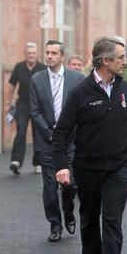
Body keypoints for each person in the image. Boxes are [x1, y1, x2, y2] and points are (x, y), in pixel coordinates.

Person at [53, 37, 127, 254]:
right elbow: (61, 133)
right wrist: (62, 166)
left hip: (118, 170)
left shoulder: (126, 89)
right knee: (89, 219)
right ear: (105, 61)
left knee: (112, 222)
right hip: (87, 169)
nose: (125, 61)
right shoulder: (80, 92)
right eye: (121, 57)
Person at [30, 40, 84, 242]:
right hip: (47, 142)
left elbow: (82, 109)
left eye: (54, 53)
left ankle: (69, 211)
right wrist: (50, 132)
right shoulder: (37, 80)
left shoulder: (77, 78)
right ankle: (55, 224)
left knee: (69, 185)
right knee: (50, 186)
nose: (49, 56)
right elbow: (34, 111)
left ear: (63, 57)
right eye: (47, 52)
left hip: (70, 141)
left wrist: (70, 132)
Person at [6, 42, 47, 174]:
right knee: (21, 131)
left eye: (33, 53)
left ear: (36, 54)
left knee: (38, 133)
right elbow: (11, 86)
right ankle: (16, 162)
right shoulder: (19, 67)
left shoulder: (43, 68)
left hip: (38, 104)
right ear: (25, 54)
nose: (31, 55)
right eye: (29, 53)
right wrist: (7, 103)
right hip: (22, 103)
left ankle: (38, 163)